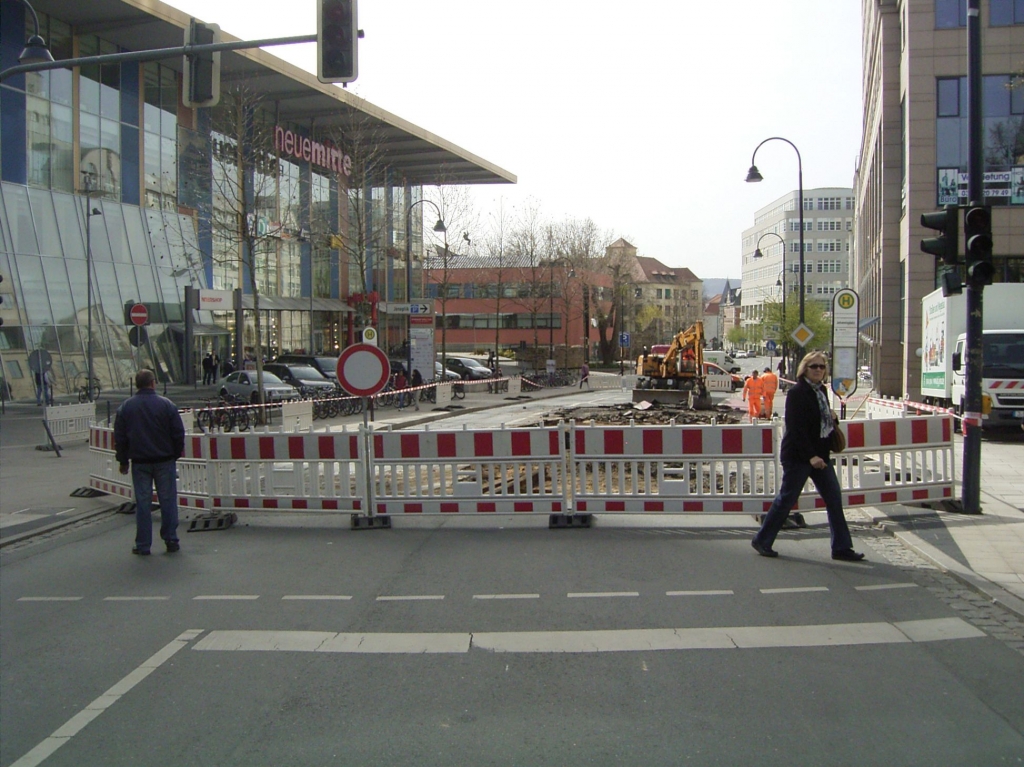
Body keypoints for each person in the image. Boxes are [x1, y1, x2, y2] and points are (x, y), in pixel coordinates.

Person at [751, 352, 865, 562]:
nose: (818, 370)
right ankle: (762, 539)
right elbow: (796, 429)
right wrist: (811, 456)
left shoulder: (821, 390)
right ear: (805, 369)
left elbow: (821, 422)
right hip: (799, 456)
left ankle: (841, 548)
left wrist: (832, 418)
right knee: (787, 499)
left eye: (822, 366)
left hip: (820, 455)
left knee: (834, 498)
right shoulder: (797, 392)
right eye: (814, 366)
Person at [114, 369, 185, 556]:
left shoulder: (126, 407)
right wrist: (175, 454)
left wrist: (123, 461)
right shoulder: (167, 405)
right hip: (164, 460)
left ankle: (143, 544)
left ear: (137, 384)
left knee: (143, 503)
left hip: (140, 462)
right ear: (153, 383)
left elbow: (120, 438)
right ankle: (171, 539)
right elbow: (178, 433)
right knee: (167, 501)